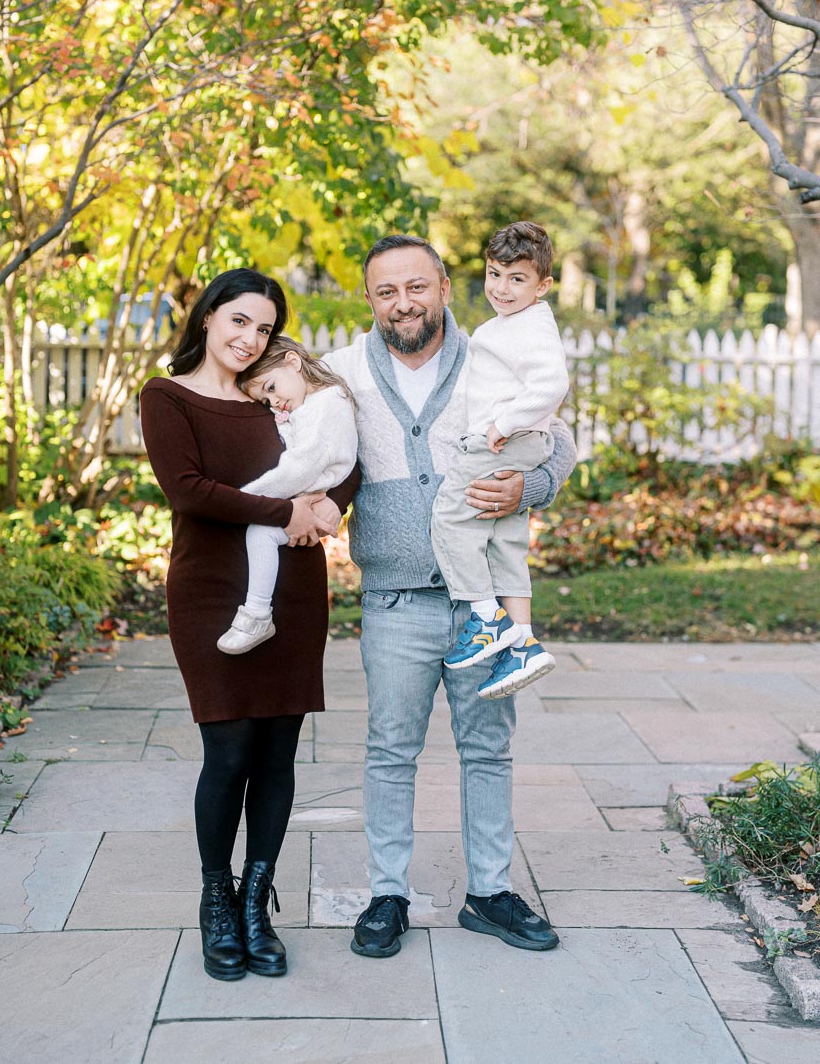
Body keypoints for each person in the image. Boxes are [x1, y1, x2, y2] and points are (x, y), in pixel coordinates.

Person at [322, 235, 576, 960]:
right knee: (389, 749)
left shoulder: (492, 356)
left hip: (483, 605)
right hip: (396, 602)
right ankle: (386, 894)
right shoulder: (343, 373)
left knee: (488, 748)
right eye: (386, 291)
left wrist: (528, 487)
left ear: (443, 287)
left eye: (417, 286)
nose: (403, 302)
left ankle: (490, 892)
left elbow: (558, 444)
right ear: (369, 300)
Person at [139, 270, 357, 983]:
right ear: (207, 318)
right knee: (227, 751)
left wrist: (331, 505)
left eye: (263, 328)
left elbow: (344, 448)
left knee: (277, 755)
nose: (249, 339)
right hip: (210, 590)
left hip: (290, 588)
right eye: (238, 321)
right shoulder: (167, 397)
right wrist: (286, 512)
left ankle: (256, 905)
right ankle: (216, 901)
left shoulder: (282, 393)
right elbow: (189, 491)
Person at [434, 220, 569, 699]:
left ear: (542, 285)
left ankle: (487, 616)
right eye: (495, 274)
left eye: (517, 279)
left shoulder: (527, 327)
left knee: (451, 518)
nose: (502, 288)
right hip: (522, 441)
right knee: (504, 539)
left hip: (505, 442)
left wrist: (501, 425)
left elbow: (551, 386)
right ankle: (522, 645)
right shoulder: (512, 326)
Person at [216, 335, 358, 655]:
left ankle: (256, 614)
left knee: (260, 532)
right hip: (310, 493)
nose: (273, 402)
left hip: (313, 496)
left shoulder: (327, 404)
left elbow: (298, 469)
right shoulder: (310, 404)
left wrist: (244, 499)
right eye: (266, 401)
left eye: (271, 388)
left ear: (293, 362)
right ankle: (256, 613)